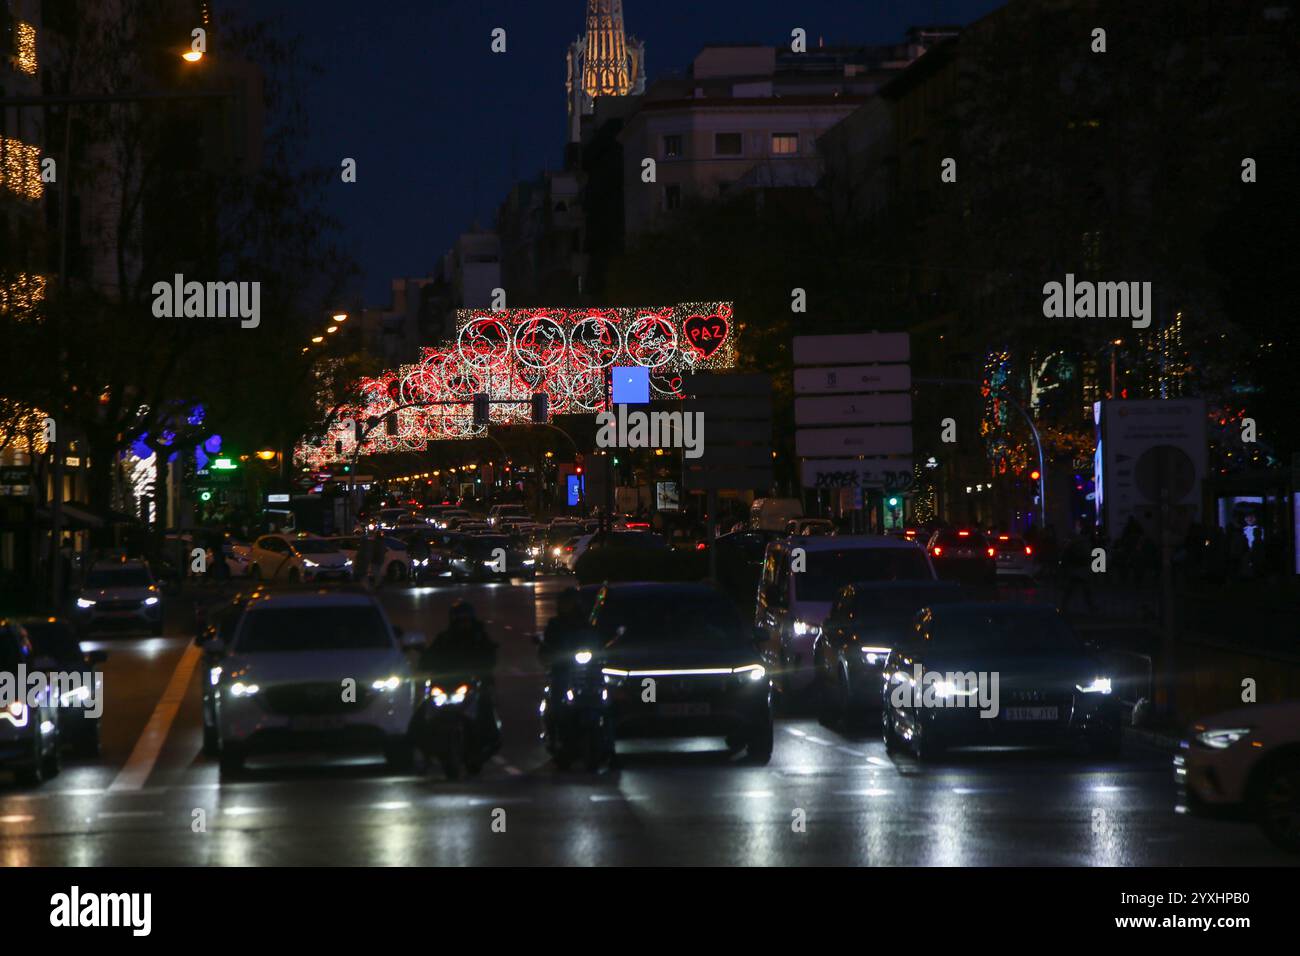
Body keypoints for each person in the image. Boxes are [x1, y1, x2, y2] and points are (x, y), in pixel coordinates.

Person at [419, 600, 500, 750]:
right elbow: (429, 656)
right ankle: (421, 743)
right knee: (423, 708)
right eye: (459, 619)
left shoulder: (479, 637)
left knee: (485, 704)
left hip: (474, 683)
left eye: (466, 619)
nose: (463, 623)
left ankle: (490, 739)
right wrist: (425, 662)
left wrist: (483, 668)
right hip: (449, 683)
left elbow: (490, 655)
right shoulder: (444, 638)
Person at [538, 587, 590, 668]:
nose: (567, 605)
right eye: (565, 602)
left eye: (570, 602)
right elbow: (547, 643)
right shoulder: (555, 623)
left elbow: (595, 638)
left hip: (586, 658)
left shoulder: (586, 622)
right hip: (562, 663)